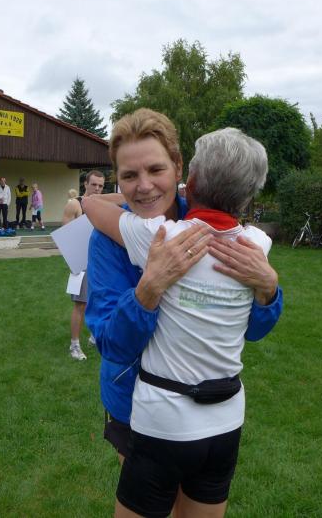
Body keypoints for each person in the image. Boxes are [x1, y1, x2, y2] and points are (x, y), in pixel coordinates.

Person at [84, 110, 282, 517]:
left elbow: (253, 329)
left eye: (155, 169)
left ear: (179, 168)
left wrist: (268, 289)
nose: (143, 186)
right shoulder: (106, 241)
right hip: (133, 402)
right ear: (117, 179)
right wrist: (148, 290)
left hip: (210, 408)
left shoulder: (209, 214)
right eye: (128, 176)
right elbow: (111, 344)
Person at [62, 170, 106, 361]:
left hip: (100, 261)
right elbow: (66, 236)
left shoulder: (104, 206)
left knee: (100, 300)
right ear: (85, 184)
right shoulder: (75, 204)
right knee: (81, 304)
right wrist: (75, 264)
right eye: (94, 184)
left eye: (101, 186)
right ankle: (74, 345)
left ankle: (94, 337)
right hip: (81, 261)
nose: (97, 188)